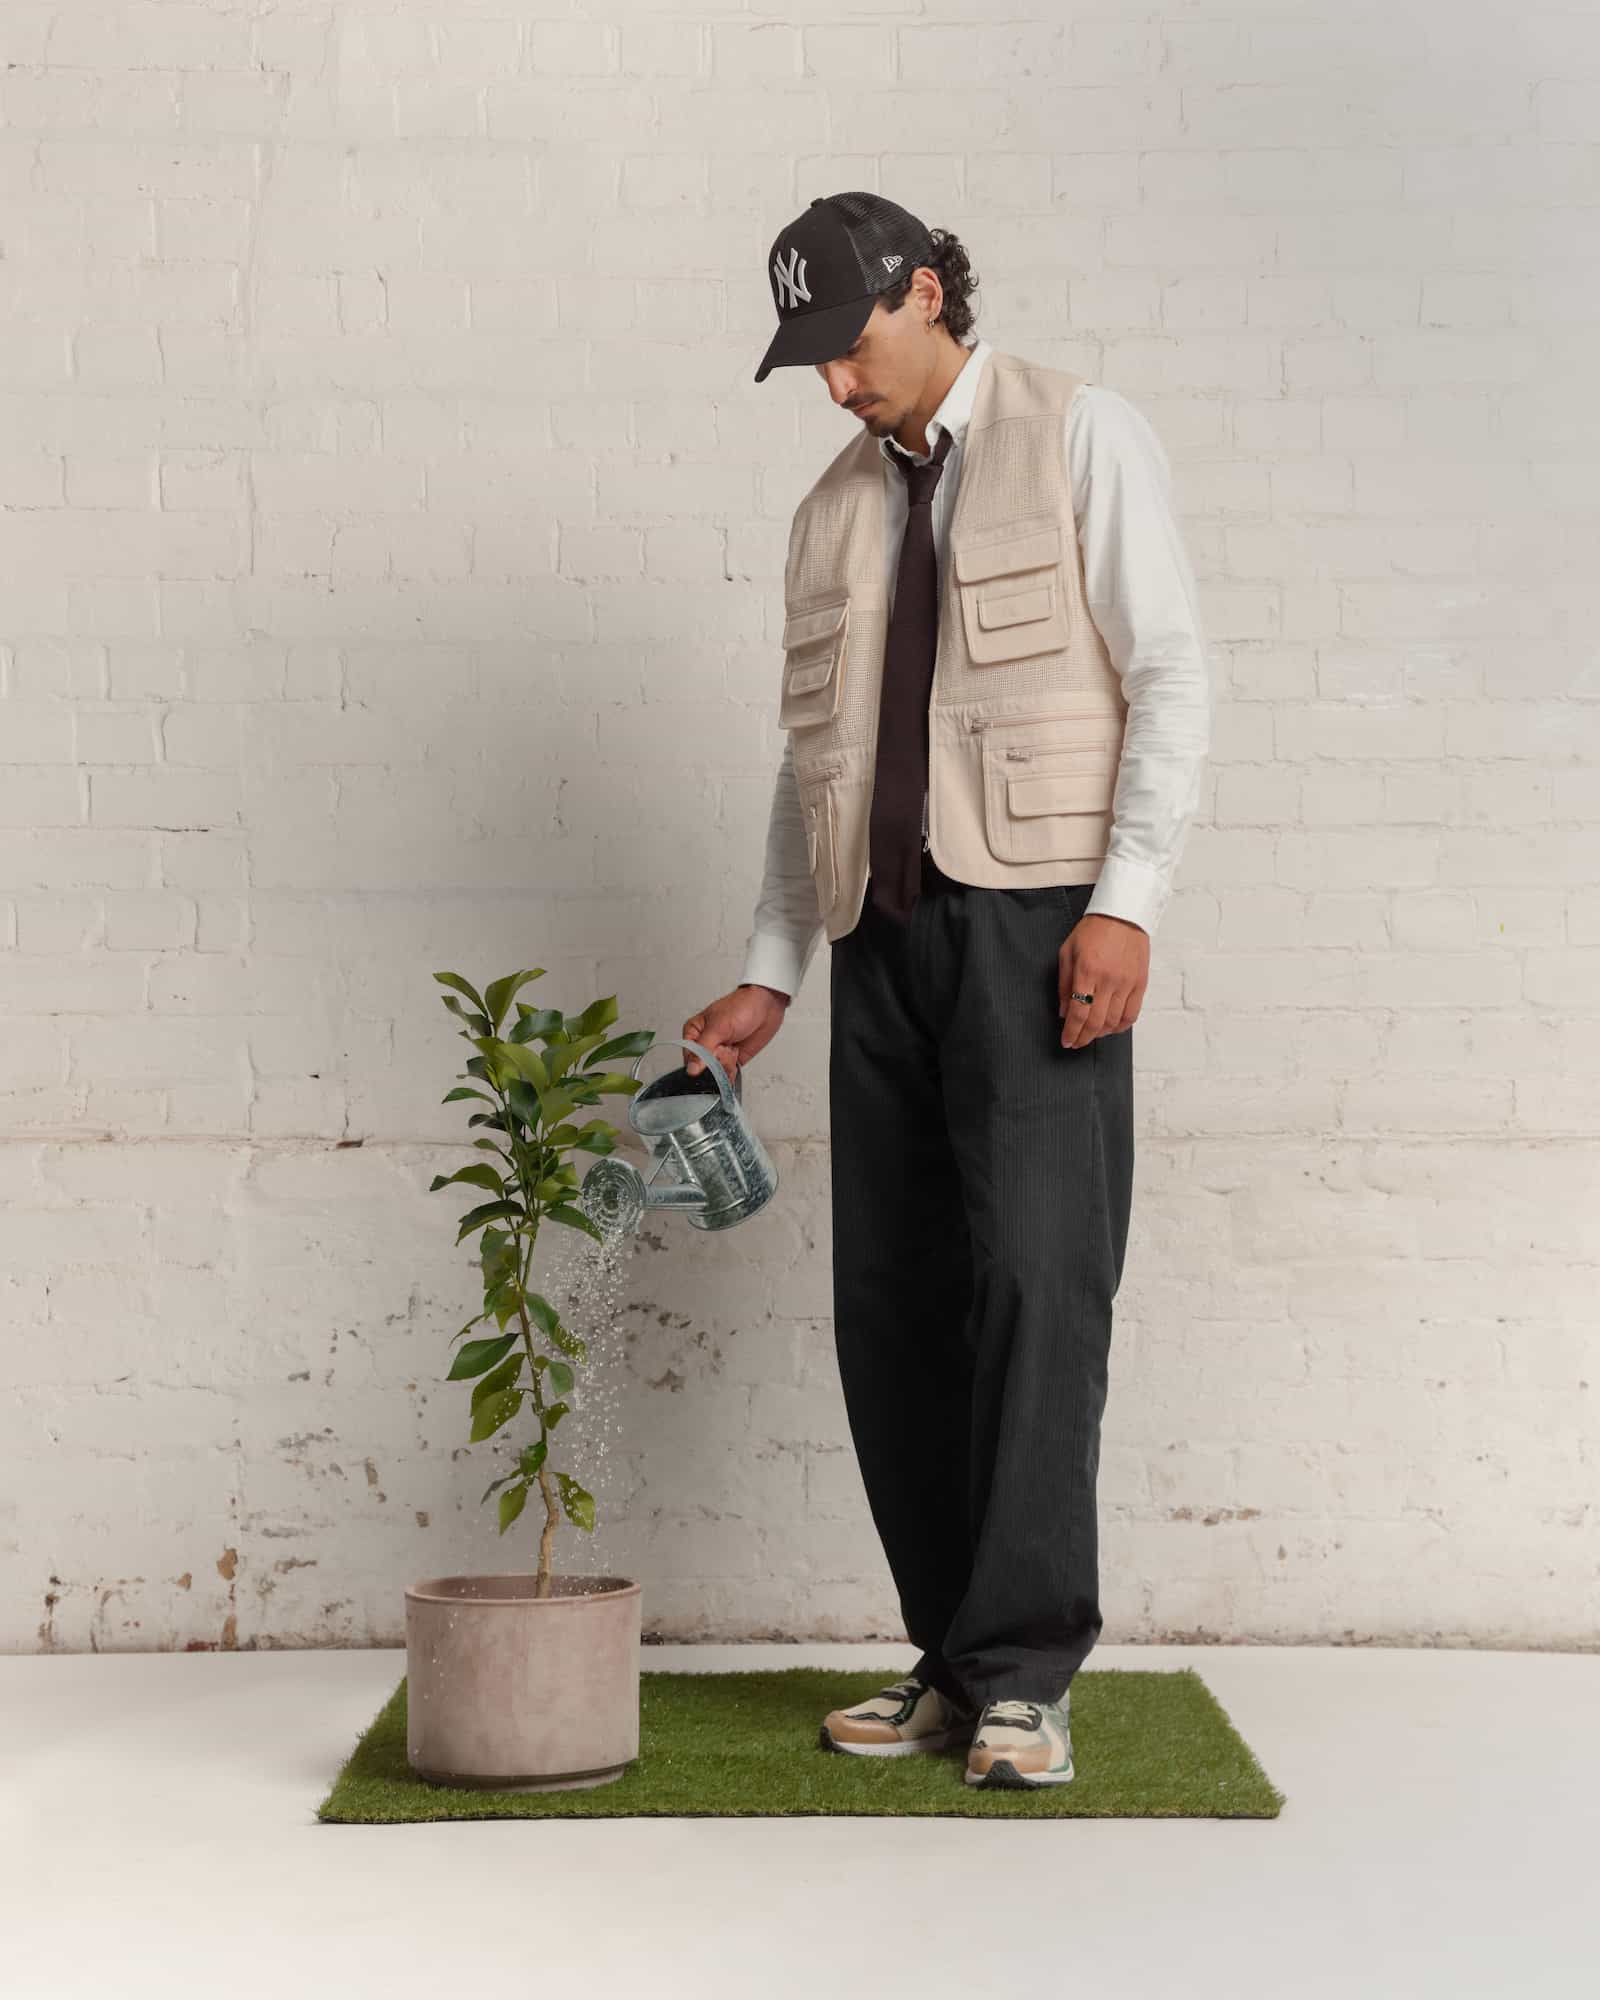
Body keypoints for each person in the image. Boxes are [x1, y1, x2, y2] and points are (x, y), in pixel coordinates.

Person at [682, 193, 1210, 1789]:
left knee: (1038, 1284)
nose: (836, 384)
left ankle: (1027, 1676)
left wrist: (1125, 907)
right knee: (896, 1301)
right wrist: (772, 967)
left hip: (1039, 931)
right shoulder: (832, 512)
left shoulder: (1081, 434)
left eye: (848, 345)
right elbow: (813, 764)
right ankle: (955, 1660)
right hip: (883, 941)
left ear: (924, 294)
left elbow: (1171, 671)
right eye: (812, 362)